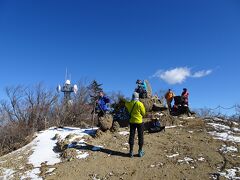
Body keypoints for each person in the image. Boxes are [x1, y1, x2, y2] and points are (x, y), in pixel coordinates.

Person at [125, 92, 146, 158]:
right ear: (138, 97)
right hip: (139, 122)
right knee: (140, 136)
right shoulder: (140, 104)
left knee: (131, 135)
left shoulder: (129, 104)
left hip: (132, 122)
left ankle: (131, 152)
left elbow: (125, 102)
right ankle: (140, 152)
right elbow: (143, 113)